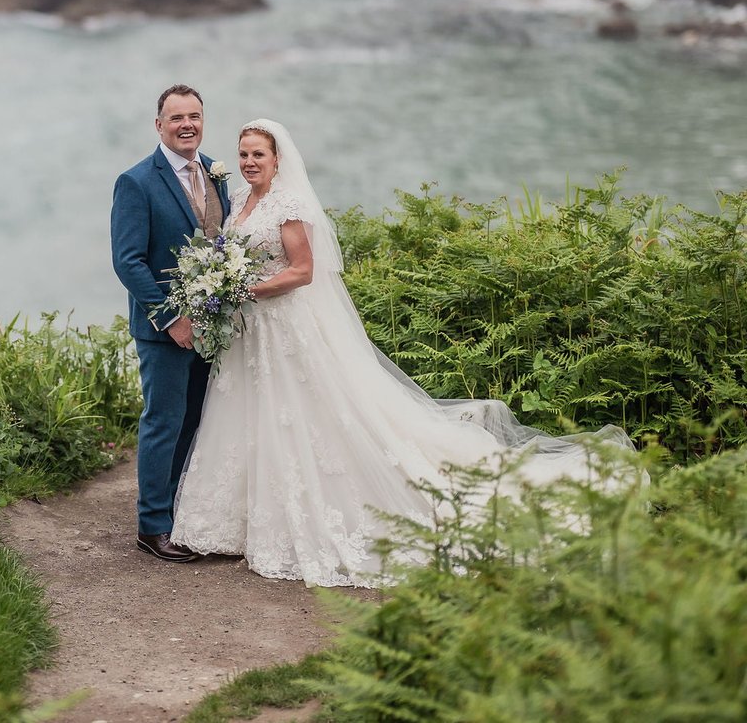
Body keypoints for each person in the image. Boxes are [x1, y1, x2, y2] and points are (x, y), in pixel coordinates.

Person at [170, 119, 635, 587]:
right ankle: (239, 523)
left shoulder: (288, 205)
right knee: (251, 415)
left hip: (285, 327)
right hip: (253, 332)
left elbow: (304, 271)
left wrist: (246, 288)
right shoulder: (237, 201)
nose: (250, 162)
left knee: (303, 415)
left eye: (259, 155)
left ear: (277, 160)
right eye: (244, 154)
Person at [111, 85, 232, 562]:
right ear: (158, 125)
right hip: (166, 331)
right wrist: (170, 319)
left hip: (213, 326)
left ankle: (183, 513)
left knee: (196, 421)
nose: (187, 125)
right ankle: (152, 526)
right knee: (163, 422)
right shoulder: (136, 182)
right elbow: (128, 261)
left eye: (195, 116)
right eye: (177, 117)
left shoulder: (215, 172)